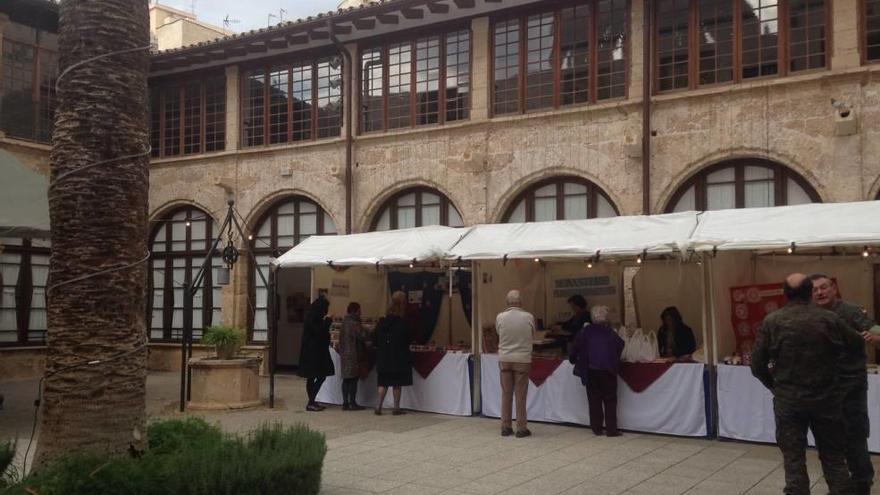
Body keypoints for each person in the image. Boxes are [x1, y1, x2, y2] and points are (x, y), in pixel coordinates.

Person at [751, 273, 859, 495]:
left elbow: (756, 364)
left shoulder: (772, 321)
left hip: (789, 402)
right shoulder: (829, 319)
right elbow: (856, 344)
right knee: (834, 459)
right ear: (811, 291)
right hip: (827, 400)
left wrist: (774, 385)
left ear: (785, 294)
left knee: (793, 459)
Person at [811, 274, 876, 494]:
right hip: (823, 387)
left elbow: (875, 329)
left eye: (824, 287)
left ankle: (862, 482)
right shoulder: (810, 315)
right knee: (830, 439)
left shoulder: (851, 311)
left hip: (851, 385)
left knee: (855, 436)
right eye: (815, 290)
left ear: (834, 288)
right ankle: (839, 485)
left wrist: (873, 335)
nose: (820, 293)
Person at [569, 305, 625, 437]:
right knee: (610, 399)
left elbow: (574, 348)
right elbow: (620, 345)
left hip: (590, 369)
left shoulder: (585, 331)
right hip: (608, 369)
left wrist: (572, 359)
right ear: (606, 319)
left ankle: (597, 428)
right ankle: (611, 430)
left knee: (594, 399)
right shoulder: (610, 332)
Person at [495, 289, 535, 438]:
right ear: (521, 302)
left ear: (507, 302)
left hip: (505, 358)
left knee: (506, 393)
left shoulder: (500, 317)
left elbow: (499, 332)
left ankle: (505, 426)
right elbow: (532, 334)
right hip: (523, 359)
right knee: (520, 395)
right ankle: (521, 427)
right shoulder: (528, 317)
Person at [374, 291, 413, 416]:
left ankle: (378, 406)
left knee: (383, 383)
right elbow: (408, 339)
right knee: (397, 383)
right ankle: (396, 408)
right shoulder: (401, 323)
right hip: (398, 358)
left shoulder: (381, 323)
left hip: (383, 358)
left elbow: (375, 339)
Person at [298, 295, 335, 412]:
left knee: (313, 377)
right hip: (314, 353)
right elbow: (319, 331)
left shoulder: (312, 316)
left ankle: (312, 401)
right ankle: (311, 402)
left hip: (313, 352)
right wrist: (328, 321)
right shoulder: (314, 318)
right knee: (319, 376)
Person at [338, 301, 367, 411]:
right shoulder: (354, 323)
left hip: (344, 353)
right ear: (356, 310)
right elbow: (363, 335)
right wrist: (369, 330)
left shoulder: (344, 322)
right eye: (360, 310)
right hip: (353, 354)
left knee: (346, 379)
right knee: (353, 379)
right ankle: (352, 403)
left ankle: (345, 402)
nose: (361, 312)